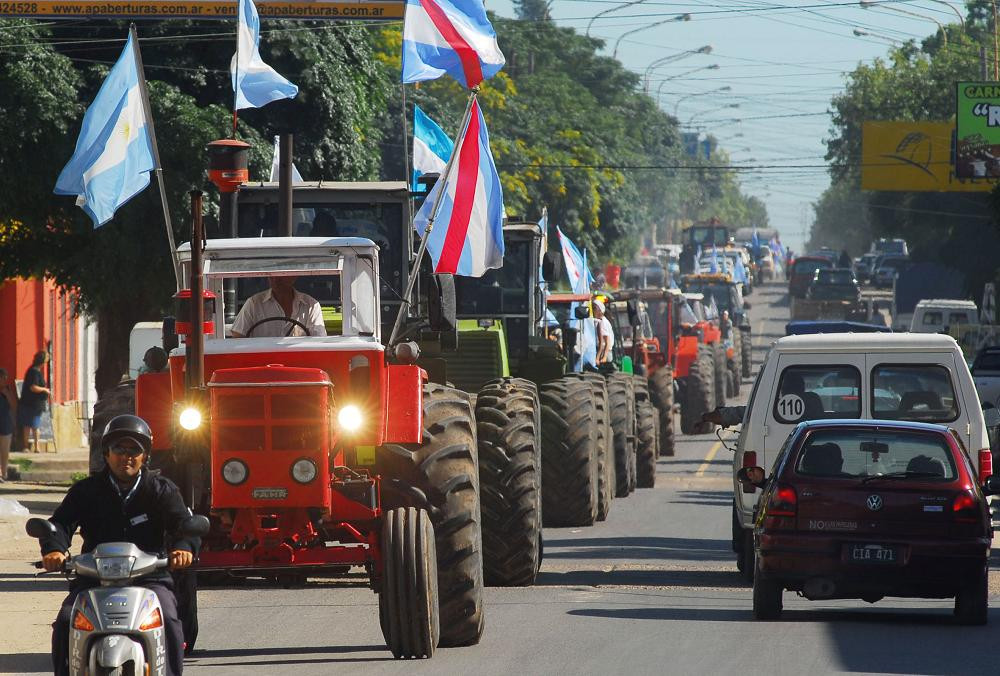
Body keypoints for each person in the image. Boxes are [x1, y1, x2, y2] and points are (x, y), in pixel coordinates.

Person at [40, 415, 199, 676]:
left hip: (151, 579)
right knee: (66, 622)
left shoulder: (161, 490)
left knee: (169, 621)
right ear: (106, 453)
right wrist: (53, 549)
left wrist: (184, 548)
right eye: (119, 449)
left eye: (134, 450)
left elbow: (184, 524)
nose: (126, 456)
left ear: (145, 456)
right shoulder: (86, 491)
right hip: (93, 581)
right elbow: (59, 524)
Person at [230, 276, 327, 338]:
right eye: (271, 276)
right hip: (261, 364)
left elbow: (318, 339)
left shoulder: (311, 305)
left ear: (294, 276)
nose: (275, 279)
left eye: (281, 274)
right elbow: (238, 337)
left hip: (299, 364)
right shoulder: (254, 303)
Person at [19, 351, 50, 453]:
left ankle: (33, 447)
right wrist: (45, 390)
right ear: (42, 361)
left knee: (32, 425)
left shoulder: (35, 371)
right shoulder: (34, 372)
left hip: (33, 404)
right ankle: (28, 447)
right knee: (31, 426)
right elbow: (33, 387)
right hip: (31, 404)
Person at [0, 368, 17, 481]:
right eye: (3, 378)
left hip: (5, 423)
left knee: (5, 451)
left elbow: (14, 406)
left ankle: (4, 473)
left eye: (6, 378)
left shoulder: (8, 390)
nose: (5, 380)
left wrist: (7, 394)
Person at [592, 298, 615, 364]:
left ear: (600, 310)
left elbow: (607, 342)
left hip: (604, 354)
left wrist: (602, 357)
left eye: (594, 308)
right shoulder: (599, 321)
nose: (593, 311)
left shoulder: (603, 323)